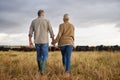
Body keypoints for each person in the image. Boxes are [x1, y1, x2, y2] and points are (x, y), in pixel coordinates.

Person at [28, 10, 54, 75]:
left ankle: (40, 70)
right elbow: (51, 31)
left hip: (37, 41)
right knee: (45, 56)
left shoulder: (33, 21)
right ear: (42, 14)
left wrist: (30, 41)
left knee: (39, 55)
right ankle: (43, 70)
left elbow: (30, 32)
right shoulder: (47, 21)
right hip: (45, 41)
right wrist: (53, 39)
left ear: (38, 14)